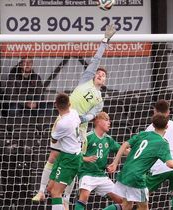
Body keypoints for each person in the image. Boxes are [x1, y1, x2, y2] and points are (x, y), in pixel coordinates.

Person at [32, 24, 116, 205]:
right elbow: (96, 59)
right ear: (93, 75)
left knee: (75, 164)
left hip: (80, 130)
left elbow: (93, 114)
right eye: (98, 73)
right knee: (53, 157)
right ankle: (40, 191)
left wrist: (80, 118)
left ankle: (66, 199)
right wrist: (104, 41)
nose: (100, 75)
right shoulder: (86, 79)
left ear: (105, 80)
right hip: (64, 120)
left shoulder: (100, 99)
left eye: (103, 75)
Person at [105, 114, 173, 210]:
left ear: (153, 125)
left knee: (126, 205)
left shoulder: (143, 134)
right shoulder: (162, 143)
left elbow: (125, 144)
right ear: (167, 126)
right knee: (143, 208)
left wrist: (115, 162)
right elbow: (170, 164)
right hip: (137, 177)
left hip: (125, 172)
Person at [145, 100, 173, 210]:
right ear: (169, 111)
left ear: (155, 111)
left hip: (159, 167)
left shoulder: (150, 128)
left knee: (144, 194)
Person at [75, 112, 123, 210]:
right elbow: (73, 153)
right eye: (106, 120)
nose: (109, 123)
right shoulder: (87, 137)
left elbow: (123, 150)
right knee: (84, 196)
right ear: (98, 121)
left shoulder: (108, 140)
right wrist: (85, 158)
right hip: (86, 173)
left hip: (101, 175)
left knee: (122, 201)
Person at [46, 93, 82, 210]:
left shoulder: (62, 124)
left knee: (56, 192)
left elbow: (54, 140)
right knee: (50, 189)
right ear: (69, 104)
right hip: (64, 155)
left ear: (55, 105)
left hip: (70, 159)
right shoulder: (74, 113)